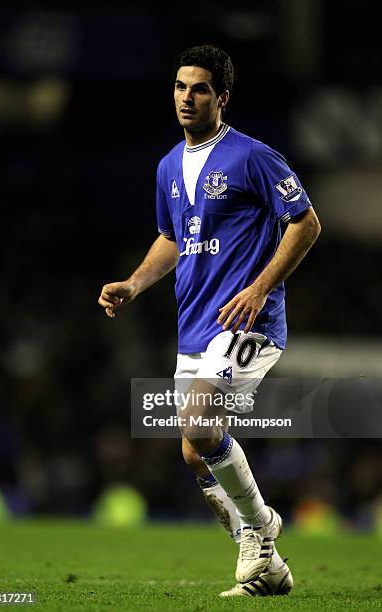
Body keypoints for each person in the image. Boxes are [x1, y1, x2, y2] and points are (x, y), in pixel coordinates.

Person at [98, 44, 321, 598]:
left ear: (221, 97)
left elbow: (306, 222)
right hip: (195, 325)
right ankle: (269, 574)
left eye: (199, 88)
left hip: (249, 321)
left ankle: (260, 531)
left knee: (199, 422)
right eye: (179, 87)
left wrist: (260, 287)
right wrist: (134, 282)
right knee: (194, 449)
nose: (186, 98)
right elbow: (174, 238)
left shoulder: (252, 157)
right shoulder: (168, 166)